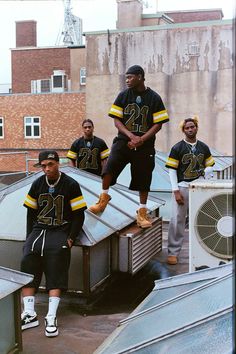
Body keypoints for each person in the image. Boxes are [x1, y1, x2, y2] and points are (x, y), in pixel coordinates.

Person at [89, 65, 169, 228]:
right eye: (126, 77)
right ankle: (103, 198)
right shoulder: (123, 95)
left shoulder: (154, 97)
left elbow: (158, 124)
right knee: (108, 168)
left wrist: (142, 139)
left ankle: (142, 212)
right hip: (124, 141)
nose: (127, 80)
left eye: (130, 77)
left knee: (144, 179)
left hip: (145, 146)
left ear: (140, 77)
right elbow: (117, 120)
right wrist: (131, 136)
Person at [20, 150, 87, 337]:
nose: (47, 169)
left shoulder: (71, 184)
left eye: (50, 164)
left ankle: (51, 316)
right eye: (43, 166)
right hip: (39, 230)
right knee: (28, 258)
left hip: (59, 230)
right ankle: (30, 313)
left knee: (56, 262)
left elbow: (79, 214)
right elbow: (30, 212)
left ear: (58, 164)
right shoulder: (37, 183)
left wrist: (71, 238)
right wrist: (29, 237)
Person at [165, 116, 215, 265]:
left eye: (192, 126)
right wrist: (175, 191)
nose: (190, 129)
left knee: (201, 219)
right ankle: (173, 252)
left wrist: (208, 171)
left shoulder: (203, 147)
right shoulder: (177, 148)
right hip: (182, 187)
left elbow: (210, 165)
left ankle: (204, 251)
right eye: (187, 128)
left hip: (199, 187)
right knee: (177, 220)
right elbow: (172, 171)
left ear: (196, 127)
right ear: (183, 130)